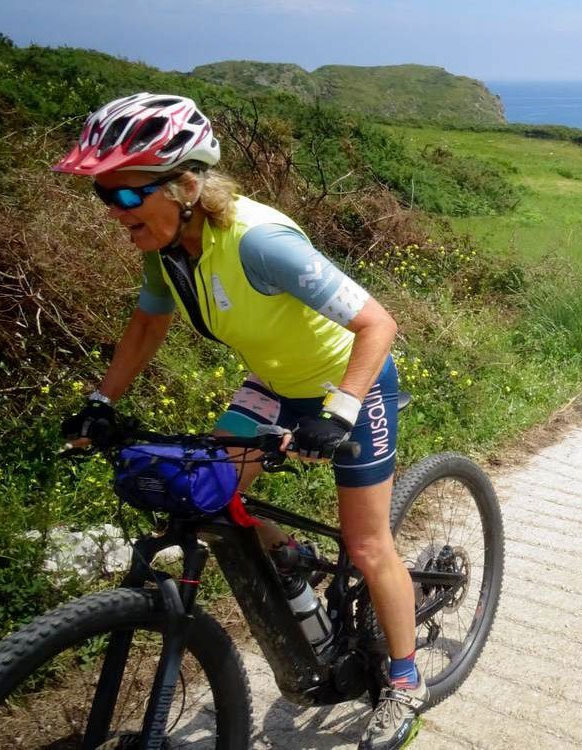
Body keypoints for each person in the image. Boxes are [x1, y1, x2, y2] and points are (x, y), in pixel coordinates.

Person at [53, 93, 421, 750]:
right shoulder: (167, 248)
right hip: (274, 384)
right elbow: (147, 324)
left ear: (186, 185)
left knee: (366, 546)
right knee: (208, 491)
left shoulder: (259, 243)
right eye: (103, 193)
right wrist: (102, 402)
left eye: (129, 194)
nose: (115, 210)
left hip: (349, 384)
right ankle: (291, 560)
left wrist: (337, 413)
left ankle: (403, 679)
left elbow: (378, 324)